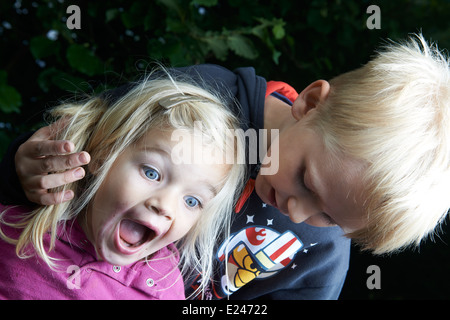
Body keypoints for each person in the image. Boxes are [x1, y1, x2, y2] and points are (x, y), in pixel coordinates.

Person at [2, 33, 450, 299]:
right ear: (310, 103)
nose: (297, 212)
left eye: (329, 218)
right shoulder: (204, 98)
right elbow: (79, 144)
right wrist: (24, 167)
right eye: (305, 181)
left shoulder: (320, 259)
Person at [0, 70, 246, 299]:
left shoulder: (165, 289)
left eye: (192, 201)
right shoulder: (18, 224)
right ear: (104, 155)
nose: (165, 207)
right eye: (152, 173)